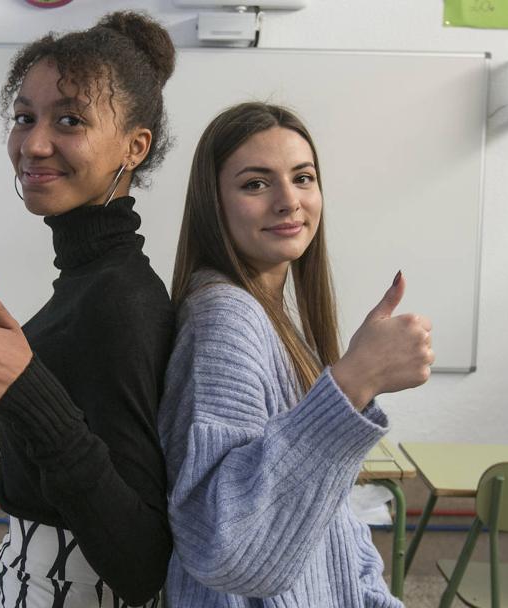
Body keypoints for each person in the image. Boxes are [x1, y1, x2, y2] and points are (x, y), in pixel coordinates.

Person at [0, 12, 176, 608]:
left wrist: (25, 388)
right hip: (17, 581)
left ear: (135, 146)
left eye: (69, 120)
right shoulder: (89, 280)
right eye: (24, 118)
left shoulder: (119, 302)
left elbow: (141, 562)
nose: (34, 143)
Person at [158, 102, 435, 608]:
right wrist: (355, 381)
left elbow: (330, 524)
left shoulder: (277, 320)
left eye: (303, 178)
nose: (289, 201)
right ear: (212, 205)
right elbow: (230, 549)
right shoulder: (226, 317)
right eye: (256, 184)